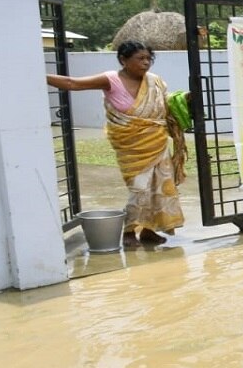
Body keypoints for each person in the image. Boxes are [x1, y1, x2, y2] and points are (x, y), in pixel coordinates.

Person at [45, 41, 186, 246]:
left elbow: (166, 103)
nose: (146, 63)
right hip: (131, 145)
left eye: (149, 59)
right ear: (123, 60)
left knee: (160, 188)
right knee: (139, 189)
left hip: (157, 142)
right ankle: (129, 231)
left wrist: (185, 100)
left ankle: (149, 230)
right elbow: (72, 83)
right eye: (140, 58)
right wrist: (38, 75)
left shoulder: (154, 81)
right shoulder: (111, 79)